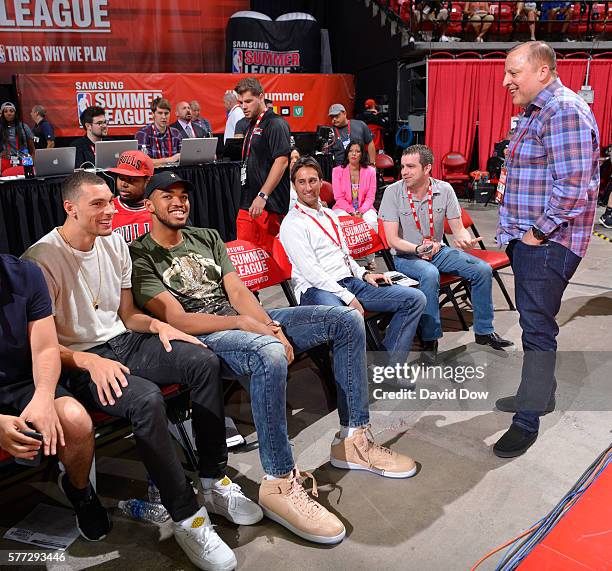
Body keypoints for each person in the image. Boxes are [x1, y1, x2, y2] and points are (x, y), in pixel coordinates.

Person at [129, 170, 418, 546]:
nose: (178, 202)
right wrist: (246, 325)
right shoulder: (140, 254)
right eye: (166, 195)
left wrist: (268, 323)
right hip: (207, 334)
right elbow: (178, 318)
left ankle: (353, 440)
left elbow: (237, 289)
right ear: (149, 203)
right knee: (269, 354)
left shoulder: (207, 238)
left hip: (245, 321)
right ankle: (279, 482)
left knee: (346, 318)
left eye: (182, 195)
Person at [23, 171, 257, 571]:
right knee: (146, 399)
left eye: (110, 201)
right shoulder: (40, 260)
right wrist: (89, 361)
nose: (109, 210)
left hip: (123, 341)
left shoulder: (114, 242)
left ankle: (213, 479)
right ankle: (187, 518)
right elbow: (42, 347)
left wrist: (160, 325)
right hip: (78, 359)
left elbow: (128, 315)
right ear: (70, 208)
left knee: (202, 361)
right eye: (97, 204)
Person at [495, 42, 599, 458]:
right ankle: (540, 393)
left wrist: (536, 234)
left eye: (513, 73)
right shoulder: (538, 111)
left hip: (548, 242)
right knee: (533, 321)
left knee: (537, 331)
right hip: (530, 240)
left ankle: (528, 416)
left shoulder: (563, 111)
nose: (506, 81)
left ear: (542, 71)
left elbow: (574, 189)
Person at [0, 254, 110, 541]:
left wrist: (43, 396)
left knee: (76, 419)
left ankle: (80, 490)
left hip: (23, 381)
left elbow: (46, 348)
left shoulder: (25, 274)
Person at [281, 156, 426, 365]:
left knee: (415, 299)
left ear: (321, 182)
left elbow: (345, 255)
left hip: (348, 281)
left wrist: (364, 273)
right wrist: (347, 297)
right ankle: (350, 386)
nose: (308, 187)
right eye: (301, 182)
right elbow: (312, 272)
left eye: (313, 180)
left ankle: (388, 364)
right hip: (316, 289)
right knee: (349, 319)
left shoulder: (331, 215)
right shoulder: (292, 224)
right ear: (294, 186)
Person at [380, 144, 513, 360]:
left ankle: (484, 331)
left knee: (481, 269)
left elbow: (458, 227)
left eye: (411, 167)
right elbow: (392, 239)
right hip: (406, 256)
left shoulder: (445, 190)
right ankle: (430, 340)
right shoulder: (393, 193)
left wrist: (463, 239)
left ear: (427, 168)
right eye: (403, 166)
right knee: (429, 274)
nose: (404, 172)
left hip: (437, 250)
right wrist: (417, 248)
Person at [235, 77, 291, 253]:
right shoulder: (249, 125)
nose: (244, 106)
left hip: (268, 203)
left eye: (249, 101)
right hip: (249, 201)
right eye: (241, 102)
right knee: (246, 256)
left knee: (270, 260)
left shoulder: (275, 123)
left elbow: (282, 161)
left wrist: (263, 195)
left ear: (261, 97)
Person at [107, 150, 154, 243]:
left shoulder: (159, 209)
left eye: (131, 179)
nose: (123, 184)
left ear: (148, 181)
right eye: (121, 178)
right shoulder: (107, 209)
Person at [332, 141, 378, 230]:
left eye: (357, 151)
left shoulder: (371, 171)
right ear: (347, 154)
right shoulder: (337, 171)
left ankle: (372, 244)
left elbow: (370, 197)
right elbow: (339, 198)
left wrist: (361, 211)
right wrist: (352, 211)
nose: (353, 154)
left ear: (362, 154)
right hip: (343, 208)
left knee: (371, 222)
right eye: (351, 151)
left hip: (365, 207)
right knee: (343, 222)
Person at [135, 97, 181, 167]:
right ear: (153, 114)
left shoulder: (176, 133)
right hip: (153, 174)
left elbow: (183, 158)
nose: (164, 117)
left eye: (166, 113)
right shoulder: (143, 133)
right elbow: (143, 161)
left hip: (174, 173)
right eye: (160, 113)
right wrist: (169, 160)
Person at [0, 102, 35, 169]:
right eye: (5, 111)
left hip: (25, 159)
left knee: (27, 178)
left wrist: (33, 162)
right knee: (8, 177)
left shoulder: (24, 127)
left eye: (11, 111)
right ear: (3, 114)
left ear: (15, 113)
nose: (9, 113)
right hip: (7, 161)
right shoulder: (1, 128)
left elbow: (32, 148)